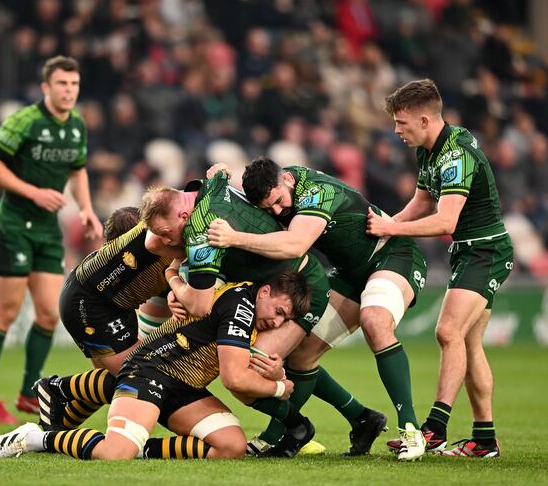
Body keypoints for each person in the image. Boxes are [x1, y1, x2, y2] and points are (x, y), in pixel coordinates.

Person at [140, 171, 386, 458]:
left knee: (248, 374)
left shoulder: (202, 231)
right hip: (269, 284)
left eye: (167, 232)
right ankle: (361, 417)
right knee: (273, 364)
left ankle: (293, 430)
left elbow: (197, 305)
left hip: (298, 286)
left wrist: (173, 277)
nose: (165, 241)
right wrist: (180, 279)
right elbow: (155, 240)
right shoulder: (208, 187)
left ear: (183, 215)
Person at [206, 157, 428, 461]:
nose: (277, 211)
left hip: (393, 255)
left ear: (287, 179)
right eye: (268, 209)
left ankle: (411, 430)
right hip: (350, 273)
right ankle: (363, 419)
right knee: (301, 353)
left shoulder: (316, 192)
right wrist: (220, 178)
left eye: (279, 202)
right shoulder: (280, 187)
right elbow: (251, 199)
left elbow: (295, 244)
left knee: (375, 321)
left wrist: (233, 238)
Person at [0, 270, 310, 461]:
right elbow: (235, 378)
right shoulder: (242, 307)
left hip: (183, 385)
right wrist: (280, 387)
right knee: (114, 453)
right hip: (151, 369)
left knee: (231, 446)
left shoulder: (245, 302)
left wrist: (275, 372)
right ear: (265, 291)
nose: (277, 322)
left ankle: (137, 447)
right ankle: (34, 438)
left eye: (285, 319)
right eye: (279, 311)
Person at [368, 79, 512, 458]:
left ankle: (435, 428)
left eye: (402, 123)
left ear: (426, 119)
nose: (396, 131)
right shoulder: (430, 150)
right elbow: (422, 202)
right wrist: (386, 229)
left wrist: (392, 228)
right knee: (467, 341)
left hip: (486, 251)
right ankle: (484, 439)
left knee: (448, 331)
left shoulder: (455, 156)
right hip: (469, 252)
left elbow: (445, 221)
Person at [0, 55, 103, 425]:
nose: (69, 91)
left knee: (49, 314)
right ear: (46, 87)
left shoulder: (77, 125)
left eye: (74, 85)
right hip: (13, 224)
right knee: (7, 311)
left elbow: (77, 170)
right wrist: (33, 192)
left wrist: (87, 208)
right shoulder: (25, 121)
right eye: (62, 84)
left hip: (47, 229)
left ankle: (29, 392)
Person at [33, 206, 180, 432]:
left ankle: (57, 425)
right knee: (138, 377)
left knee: (116, 378)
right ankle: (55, 387)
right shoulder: (143, 258)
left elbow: (153, 324)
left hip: (103, 306)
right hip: (91, 307)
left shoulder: (147, 259)